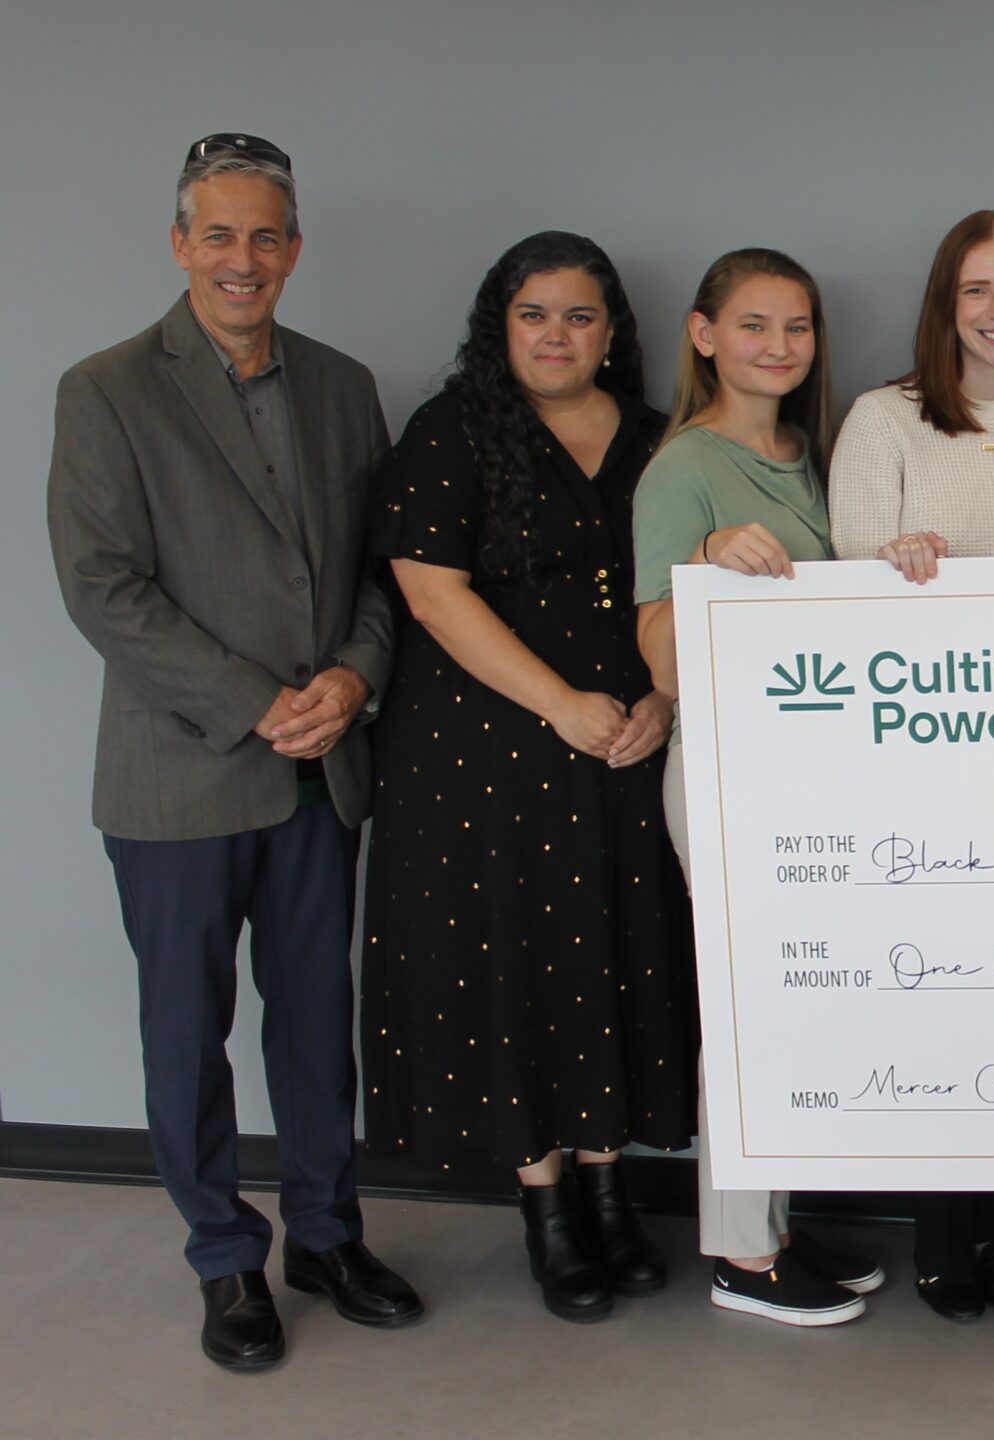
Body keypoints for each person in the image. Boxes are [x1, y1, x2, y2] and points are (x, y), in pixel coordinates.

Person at [46, 133, 425, 1371]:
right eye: (219, 234)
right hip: (182, 773)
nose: (243, 259)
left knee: (318, 1026)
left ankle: (324, 1232)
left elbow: (380, 568)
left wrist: (354, 677)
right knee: (183, 1033)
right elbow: (104, 588)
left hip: (322, 769)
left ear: (296, 249)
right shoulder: (105, 389)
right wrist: (261, 700)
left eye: (267, 236)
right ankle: (225, 1260)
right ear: (179, 245)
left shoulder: (340, 382)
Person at [360, 231, 694, 1323]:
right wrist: (562, 704)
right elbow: (431, 593)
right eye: (534, 314)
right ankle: (547, 1208)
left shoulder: (657, 440)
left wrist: (660, 703)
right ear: (499, 328)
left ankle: (609, 1191)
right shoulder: (452, 430)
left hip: (623, 745)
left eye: (580, 316)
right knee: (515, 964)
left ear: (612, 332)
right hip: (483, 753)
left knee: (609, 952)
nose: (557, 335)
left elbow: (680, 589)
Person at [826, 209, 994, 1317]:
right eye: (976, 290)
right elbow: (844, 566)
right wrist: (891, 565)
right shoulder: (883, 419)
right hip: (919, 765)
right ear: (945, 305)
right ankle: (942, 1232)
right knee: (937, 1002)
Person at [632, 248, 883, 1327]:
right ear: (702, 335)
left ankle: (769, 1223)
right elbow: (663, 659)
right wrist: (703, 558)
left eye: (796, 328)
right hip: (730, 780)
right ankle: (740, 1255)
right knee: (745, 1013)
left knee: (795, 1005)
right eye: (752, 326)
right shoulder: (683, 468)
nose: (777, 348)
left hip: (807, 779)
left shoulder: (804, 456)